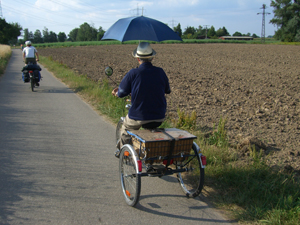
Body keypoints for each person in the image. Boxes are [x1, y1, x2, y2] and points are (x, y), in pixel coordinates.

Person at [112, 42, 171, 157]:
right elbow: (167, 90)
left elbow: (122, 92)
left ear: (138, 58)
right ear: (152, 57)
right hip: (159, 116)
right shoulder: (160, 72)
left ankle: (122, 153)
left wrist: (116, 92)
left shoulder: (133, 73)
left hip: (138, 116)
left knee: (126, 128)